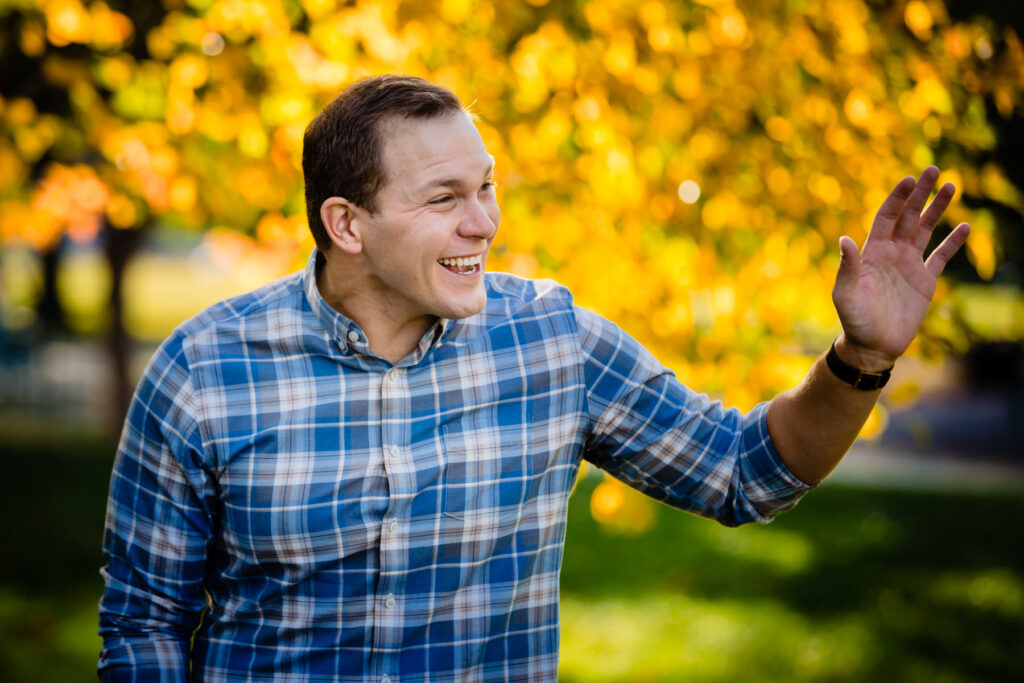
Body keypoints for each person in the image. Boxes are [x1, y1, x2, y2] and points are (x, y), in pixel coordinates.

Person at [98, 74, 970, 681]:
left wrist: (862, 357)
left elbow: (747, 472)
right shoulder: (204, 370)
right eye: (444, 199)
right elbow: (144, 627)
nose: (485, 222)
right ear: (347, 224)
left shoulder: (554, 342)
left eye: (487, 187)